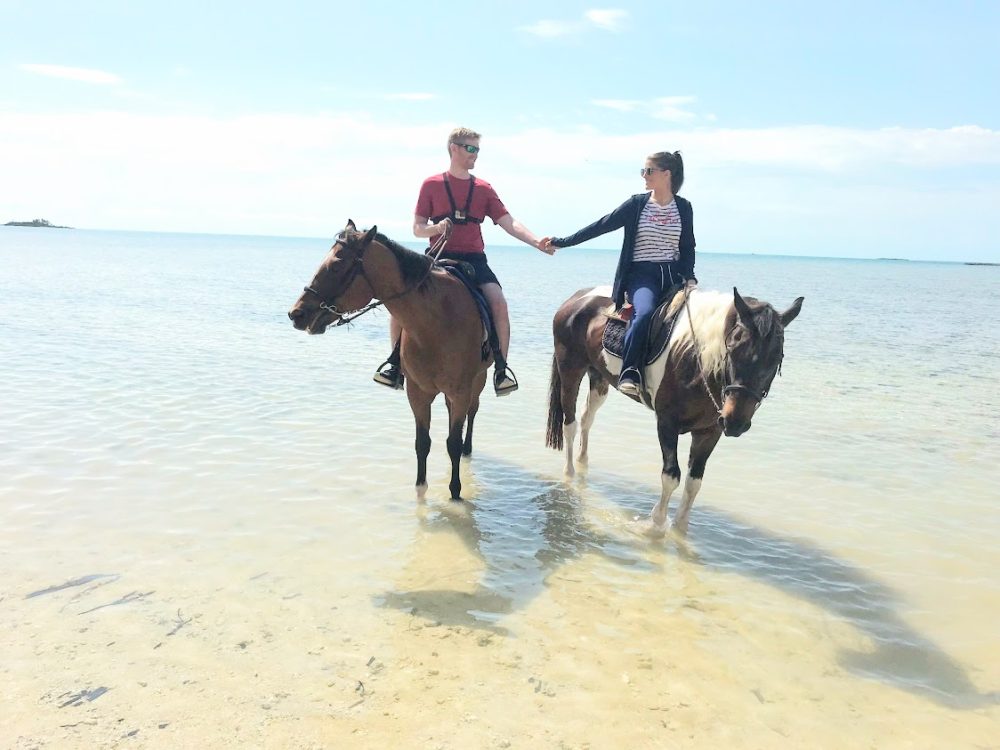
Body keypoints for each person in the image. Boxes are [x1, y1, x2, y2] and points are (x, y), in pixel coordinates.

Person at [374, 127, 553, 396]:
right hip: (438, 258)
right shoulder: (431, 185)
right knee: (401, 301)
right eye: (470, 149)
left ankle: (502, 369)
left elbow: (508, 222)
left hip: (474, 260)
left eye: (478, 150)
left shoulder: (484, 189)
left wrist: (536, 241)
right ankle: (395, 363)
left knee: (498, 303)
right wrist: (436, 229)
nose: (475, 155)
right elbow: (417, 228)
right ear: (453, 148)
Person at [540, 151, 696, 398]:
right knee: (643, 314)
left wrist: (690, 277)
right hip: (643, 276)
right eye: (643, 171)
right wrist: (562, 242)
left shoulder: (683, 207)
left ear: (667, 174)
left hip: (674, 277)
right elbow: (600, 226)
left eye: (649, 171)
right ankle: (630, 371)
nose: (644, 175)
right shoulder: (636, 205)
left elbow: (687, 246)